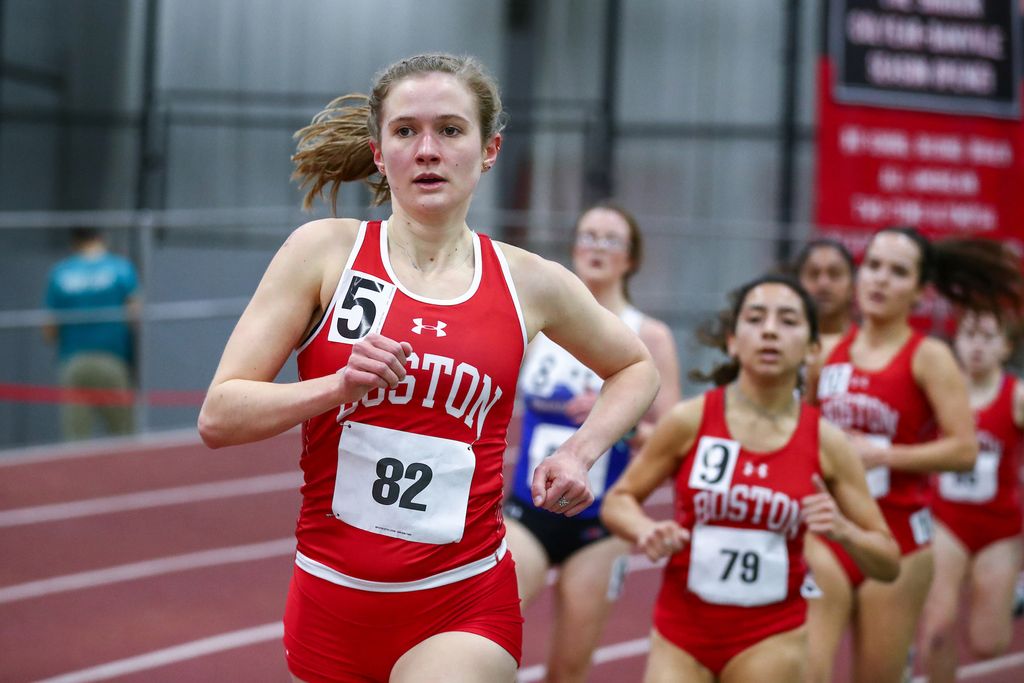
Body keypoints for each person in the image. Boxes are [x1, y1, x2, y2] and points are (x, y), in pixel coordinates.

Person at [197, 53, 659, 683]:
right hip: (332, 597)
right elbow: (219, 416)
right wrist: (336, 386)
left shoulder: (531, 282)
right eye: (406, 131)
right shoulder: (325, 254)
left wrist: (582, 452)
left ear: (489, 149)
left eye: (450, 129)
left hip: (464, 597)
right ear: (379, 151)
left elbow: (636, 365)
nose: (428, 150)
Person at [601, 274, 900, 683]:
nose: (771, 330)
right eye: (756, 318)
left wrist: (844, 530)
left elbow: (887, 562)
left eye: (789, 320)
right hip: (680, 633)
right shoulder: (690, 420)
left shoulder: (828, 443)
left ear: (813, 349)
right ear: (732, 340)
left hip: (771, 637)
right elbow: (619, 500)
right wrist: (645, 529)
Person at [804, 226, 1023, 683]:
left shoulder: (930, 358)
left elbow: (964, 450)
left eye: (898, 272)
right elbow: (801, 432)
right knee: (806, 669)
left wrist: (883, 457)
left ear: (921, 293)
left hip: (899, 536)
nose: (880, 280)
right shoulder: (824, 353)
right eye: (874, 266)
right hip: (828, 529)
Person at [503, 201, 681, 683]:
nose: (597, 247)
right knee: (484, 640)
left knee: (569, 668)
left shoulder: (650, 337)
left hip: (598, 527)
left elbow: (672, 436)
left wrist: (614, 420)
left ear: (631, 258)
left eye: (611, 240)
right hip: (526, 511)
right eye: (589, 236)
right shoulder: (541, 321)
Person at [919, 310, 1024, 682]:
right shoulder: (938, 392)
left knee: (987, 643)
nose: (977, 346)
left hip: (1000, 529)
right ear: (956, 342)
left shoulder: (1017, 396)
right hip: (946, 522)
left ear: (1006, 346)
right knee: (936, 633)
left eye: (988, 337)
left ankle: (1012, 591)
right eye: (969, 335)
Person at [43, 226, 140, 440]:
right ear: (102, 237)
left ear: (74, 242)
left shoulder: (60, 273)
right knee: (124, 437)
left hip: (73, 361)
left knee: (76, 441)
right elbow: (135, 317)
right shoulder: (122, 269)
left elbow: (49, 330)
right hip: (113, 360)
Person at [794, 238, 856, 361]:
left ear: (853, 286)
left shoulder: (868, 348)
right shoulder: (785, 346)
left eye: (834, 274)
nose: (823, 284)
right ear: (797, 284)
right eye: (813, 274)